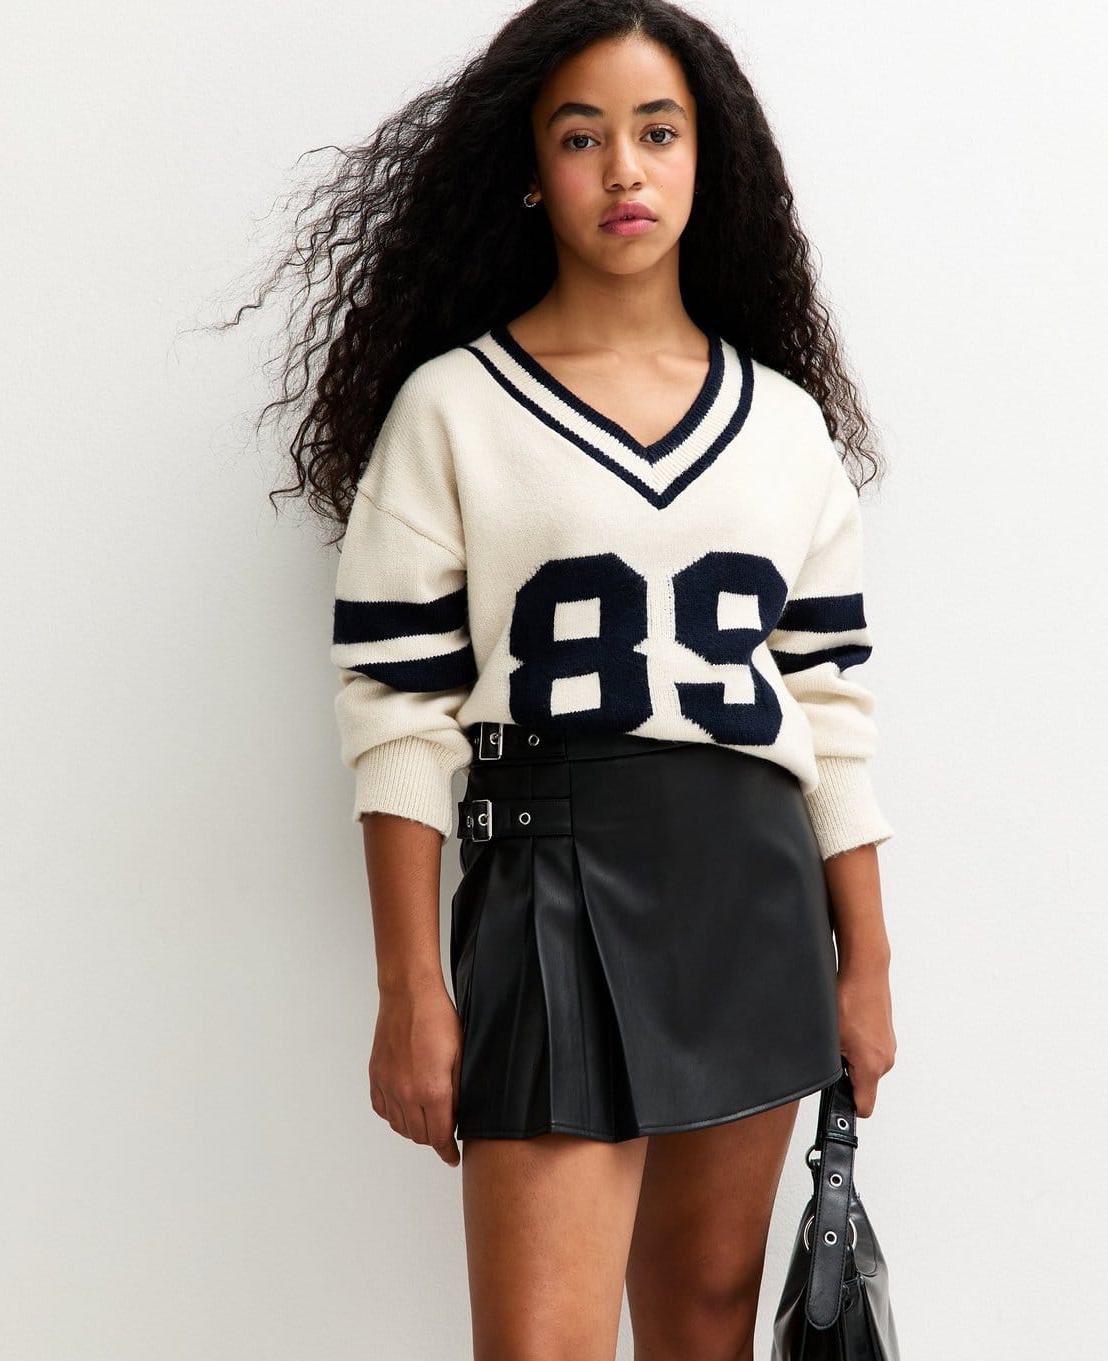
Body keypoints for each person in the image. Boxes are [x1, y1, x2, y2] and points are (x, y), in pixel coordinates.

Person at [239, 1, 898, 1354]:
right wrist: (410, 984)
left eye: (659, 132)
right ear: (533, 169)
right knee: (540, 1344)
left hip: (754, 891)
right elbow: (399, 709)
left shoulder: (783, 425)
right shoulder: (452, 407)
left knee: (705, 1330)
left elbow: (829, 702)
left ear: (708, 159)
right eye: (582, 136)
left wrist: (869, 958)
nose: (624, 169)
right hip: (546, 876)